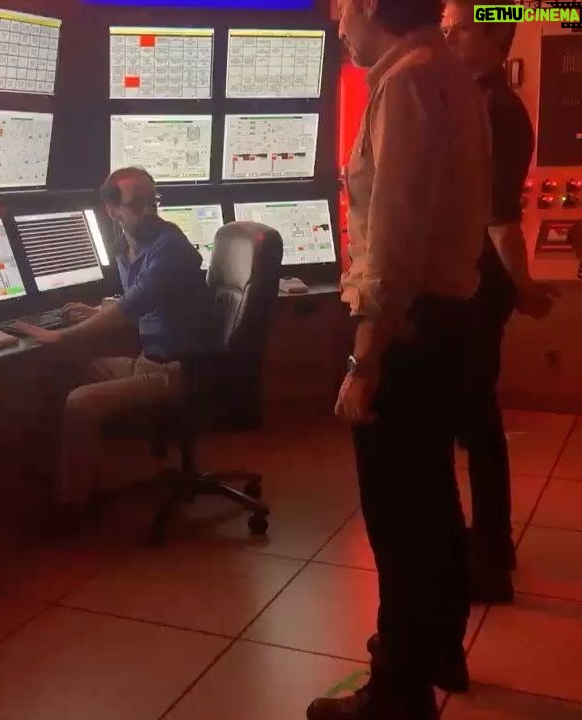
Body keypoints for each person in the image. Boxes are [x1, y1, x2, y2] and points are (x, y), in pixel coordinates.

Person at [307, 1, 490, 719]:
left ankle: (397, 692)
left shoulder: (407, 81)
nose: (336, 22)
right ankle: (438, 648)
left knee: (397, 517)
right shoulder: (445, 70)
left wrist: (364, 361)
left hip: (409, 332)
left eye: (341, 7)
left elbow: (393, 246)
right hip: (444, 323)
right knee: (431, 500)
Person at [14, 167, 221, 527]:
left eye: (152, 200)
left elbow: (131, 308)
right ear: (112, 210)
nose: (148, 210)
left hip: (180, 370)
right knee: (60, 369)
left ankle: (72, 508)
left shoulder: (170, 247)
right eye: (137, 203)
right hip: (149, 362)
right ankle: (72, 478)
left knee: (80, 401)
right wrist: (97, 313)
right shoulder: (126, 247)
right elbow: (140, 303)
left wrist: (62, 336)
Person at [442, 0, 558, 604]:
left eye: (457, 30)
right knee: (473, 418)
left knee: (476, 422)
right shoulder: (475, 102)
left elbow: (500, 221)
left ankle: (488, 555)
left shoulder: (495, 109)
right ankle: (490, 545)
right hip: (473, 281)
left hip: (478, 287)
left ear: (493, 41)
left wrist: (524, 286)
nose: (447, 39)